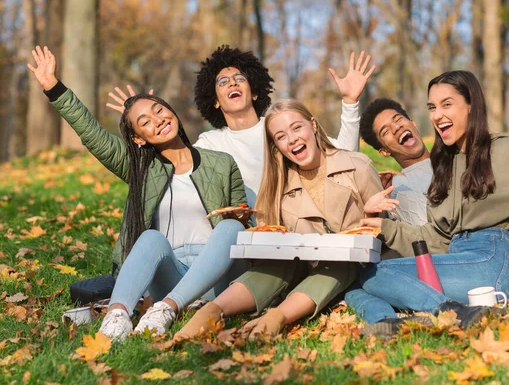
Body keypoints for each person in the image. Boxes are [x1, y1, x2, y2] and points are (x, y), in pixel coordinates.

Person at [29, 46, 250, 341]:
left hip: (213, 275)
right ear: (138, 138)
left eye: (159, 110)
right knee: (151, 238)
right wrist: (53, 88)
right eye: (145, 122)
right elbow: (93, 134)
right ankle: (117, 318)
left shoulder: (221, 163)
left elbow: (242, 221)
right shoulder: (140, 170)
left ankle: (167, 310)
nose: (157, 120)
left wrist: (239, 217)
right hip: (167, 273)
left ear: (172, 112)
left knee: (232, 227)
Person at [355, 71, 509, 328]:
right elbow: (439, 236)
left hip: (493, 256)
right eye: (432, 107)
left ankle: (447, 311)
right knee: (363, 279)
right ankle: (392, 323)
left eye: (447, 104)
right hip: (465, 260)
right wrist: (382, 225)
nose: (437, 114)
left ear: (471, 106)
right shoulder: (445, 169)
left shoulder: (504, 150)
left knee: (376, 275)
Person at [171, 99, 383, 342]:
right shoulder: (276, 185)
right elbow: (273, 245)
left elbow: (384, 232)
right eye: (280, 136)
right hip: (298, 270)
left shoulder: (357, 165)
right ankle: (212, 312)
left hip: (347, 269)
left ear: (313, 125)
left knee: (338, 262)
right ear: (276, 146)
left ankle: (276, 318)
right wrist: (255, 232)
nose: (291, 139)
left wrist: (371, 215)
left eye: (296, 128)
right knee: (278, 265)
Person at [107, 46, 375, 207]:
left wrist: (350, 102)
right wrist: (138, 119)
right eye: (222, 82)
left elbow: (344, 157)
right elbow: (175, 168)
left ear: (255, 92)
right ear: (214, 100)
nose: (232, 84)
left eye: (239, 79)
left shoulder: (281, 127)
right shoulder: (210, 144)